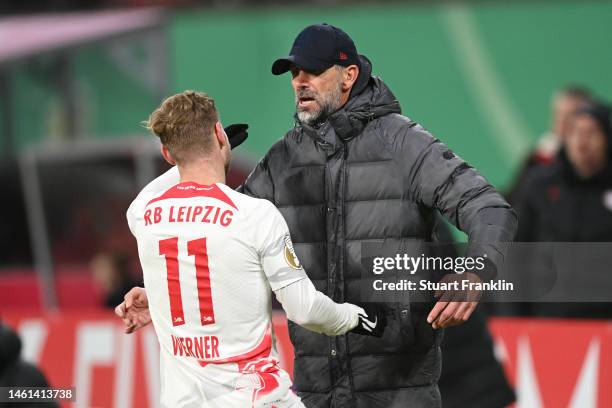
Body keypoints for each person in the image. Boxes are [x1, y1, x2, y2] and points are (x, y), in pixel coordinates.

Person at [119, 24, 517, 407]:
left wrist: (475, 271)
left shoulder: (404, 144)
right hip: (313, 391)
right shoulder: (282, 159)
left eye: (312, 71)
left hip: (398, 391)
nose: (299, 81)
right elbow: (225, 247)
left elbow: (488, 207)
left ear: (349, 75)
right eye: (294, 73)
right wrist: (160, 297)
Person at [121, 90, 386, 408]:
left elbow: (196, 266)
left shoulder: (144, 216)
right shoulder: (254, 216)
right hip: (257, 399)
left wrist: (158, 294)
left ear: (166, 155)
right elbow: (305, 309)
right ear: (219, 134)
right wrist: (359, 317)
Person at [512, 100, 612, 319]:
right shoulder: (539, 185)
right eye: (575, 132)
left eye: (592, 133)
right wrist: (511, 319)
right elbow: (516, 255)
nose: (582, 142)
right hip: (547, 321)